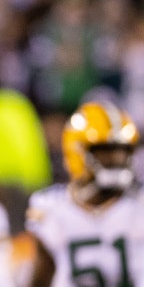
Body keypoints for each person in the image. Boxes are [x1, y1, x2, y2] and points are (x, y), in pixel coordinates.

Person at [25, 101, 144, 286]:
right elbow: (41, 279)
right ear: (76, 152)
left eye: (122, 151)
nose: (116, 160)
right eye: (104, 152)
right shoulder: (50, 207)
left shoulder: (139, 204)